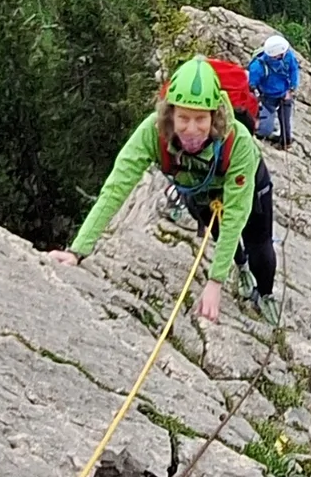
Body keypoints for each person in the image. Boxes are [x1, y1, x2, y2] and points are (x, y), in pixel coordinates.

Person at [56, 56, 275, 323]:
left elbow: (236, 212)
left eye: (200, 119)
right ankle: (240, 267)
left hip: (248, 182)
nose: (191, 129)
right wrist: (77, 250)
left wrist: (214, 282)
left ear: (214, 116)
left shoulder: (237, 140)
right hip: (199, 190)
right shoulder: (152, 132)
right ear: (170, 114)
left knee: (259, 245)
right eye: (183, 118)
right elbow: (116, 188)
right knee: (218, 232)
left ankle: (265, 294)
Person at [248, 30, 301, 148]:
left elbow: (294, 70)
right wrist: (257, 100)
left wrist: (291, 89)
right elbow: (252, 86)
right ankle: (265, 129)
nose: (286, 53)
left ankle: (285, 141)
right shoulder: (258, 66)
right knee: (264, 130)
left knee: (286, 123)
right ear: (276, 55)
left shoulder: (288, 56)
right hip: (267, 98)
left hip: (284, 94)